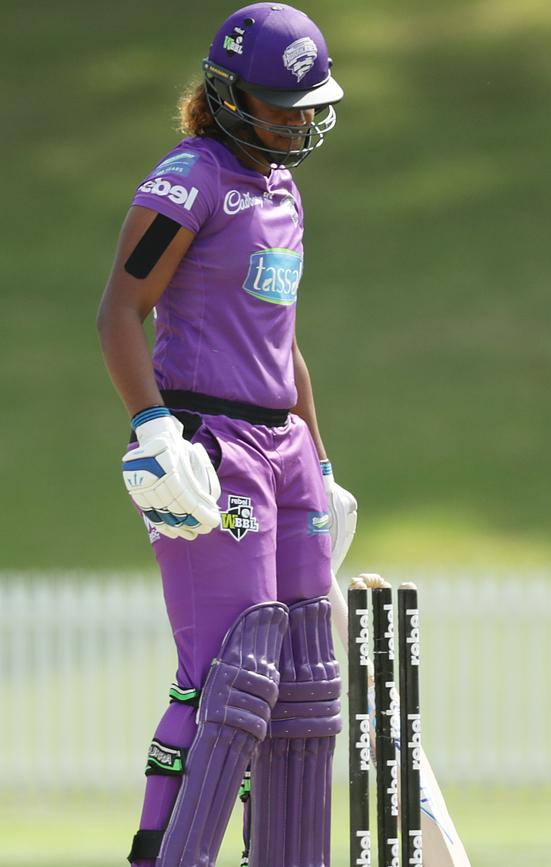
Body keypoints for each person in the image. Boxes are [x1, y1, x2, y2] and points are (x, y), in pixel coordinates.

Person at [96, 4, 357, 866]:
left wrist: (319, 464)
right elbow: (120, 312)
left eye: (307, 106)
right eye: (279, 105)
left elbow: (285, 345)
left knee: (304, 680)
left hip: (282, 451)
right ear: (229, 94)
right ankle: (163, 852)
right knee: (229, 675)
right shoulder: (189, 178)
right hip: (211, 446)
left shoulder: (285, 192)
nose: (296, 121)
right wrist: (153, 430)